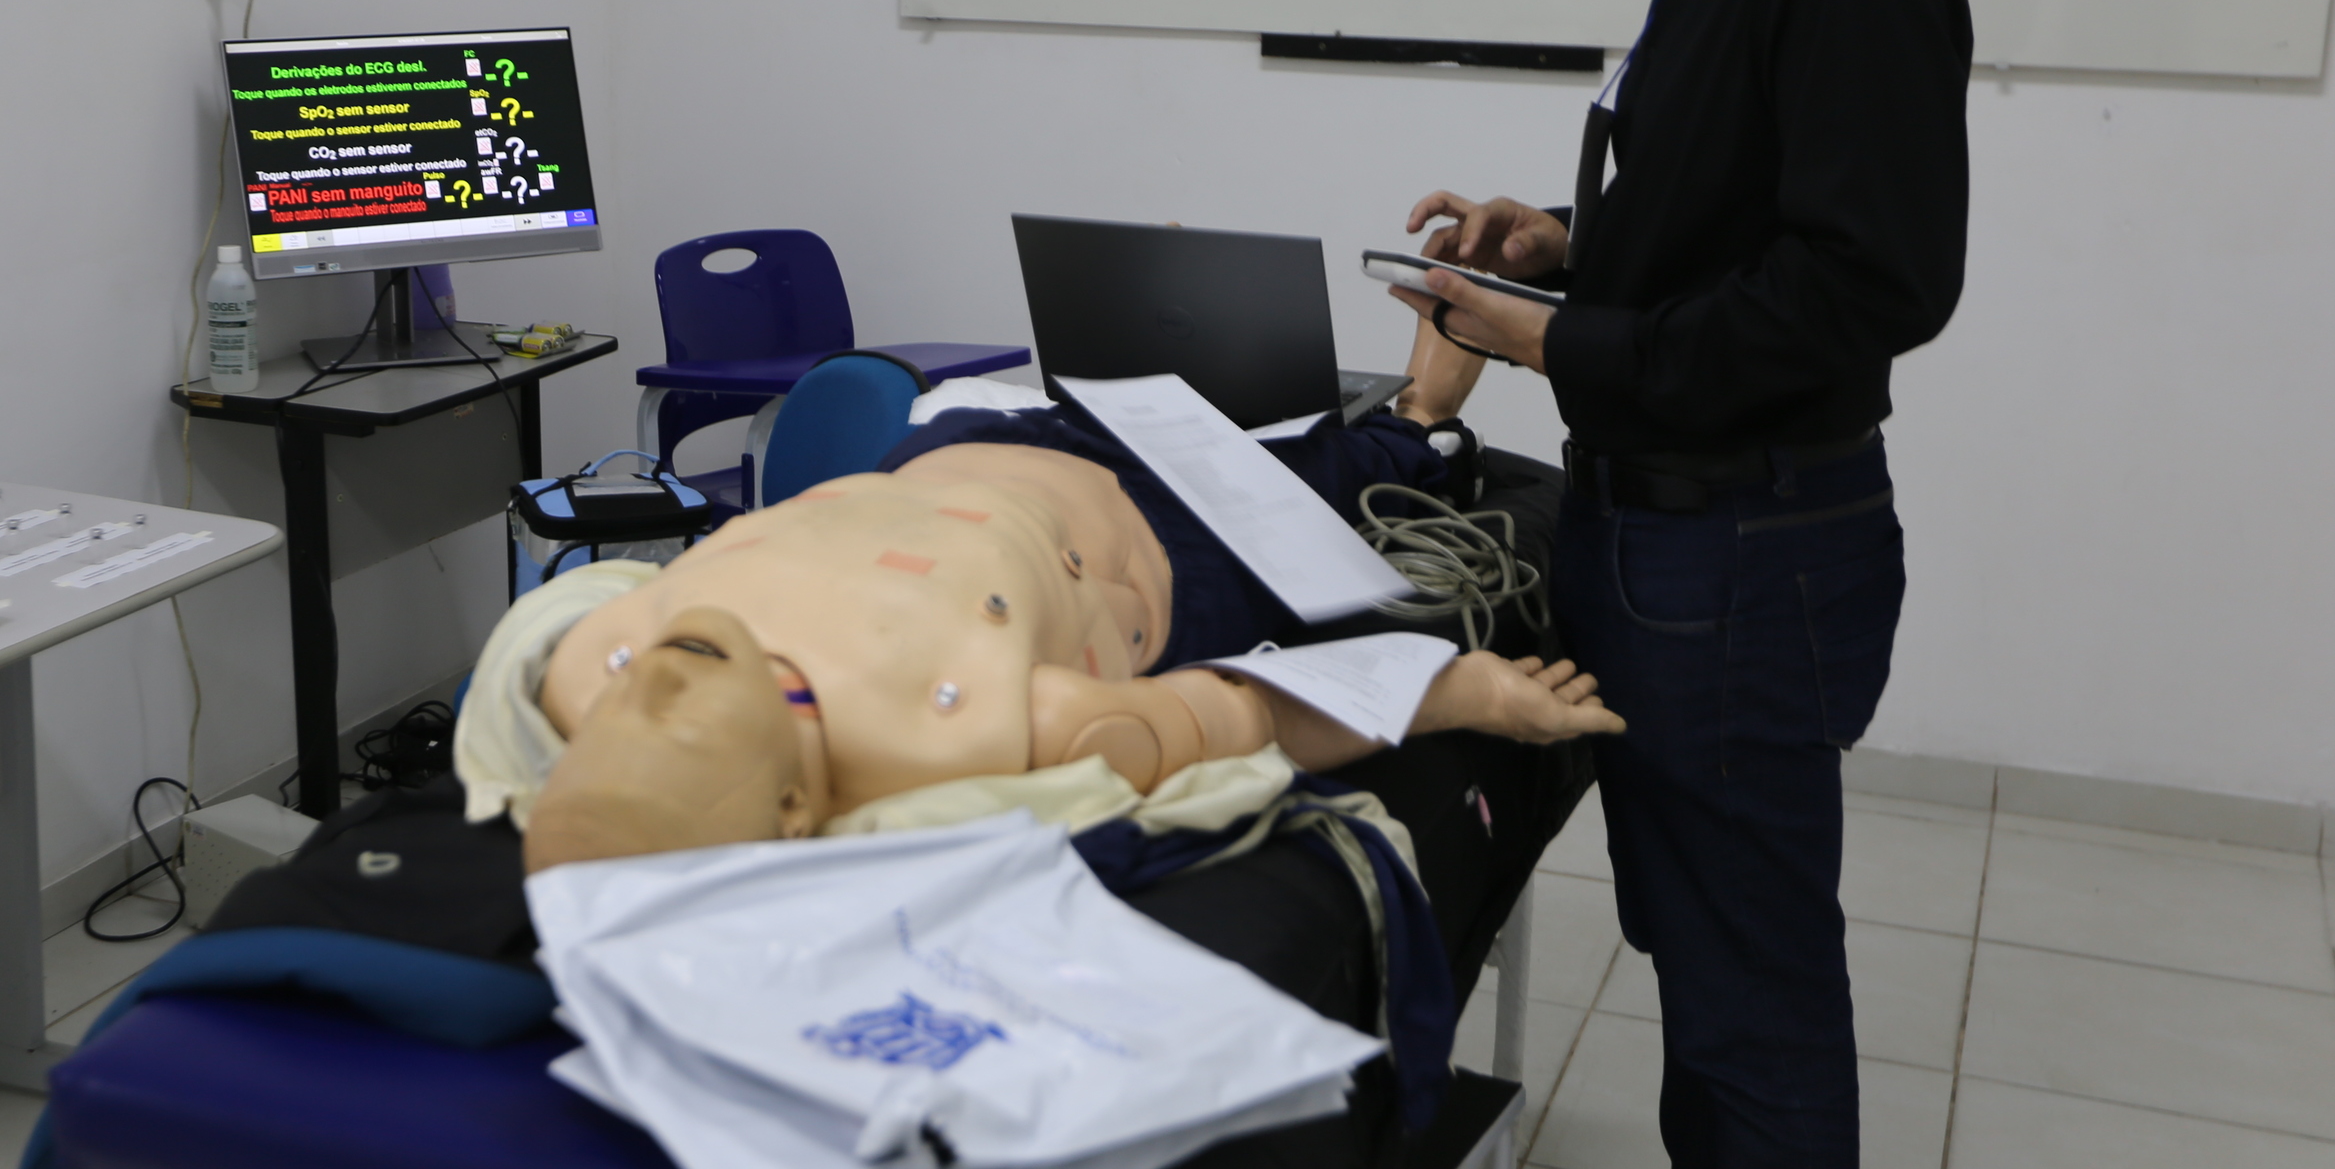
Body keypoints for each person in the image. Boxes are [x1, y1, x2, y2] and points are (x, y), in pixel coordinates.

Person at [1392, 0, 1969, 1169]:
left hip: (1751, 545)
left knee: (1758, 993)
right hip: (1669, 535)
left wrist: (1555, 344)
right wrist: (1561, 250)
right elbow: (1729, 218)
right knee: (1705, 965)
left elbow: (1865, 286)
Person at [452, 309, 1621, 866]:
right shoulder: (963, 726)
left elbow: (533, 667)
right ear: (797, 813)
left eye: (615, 723)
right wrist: (1465, 692)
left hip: (960, 444)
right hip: (1161, 539)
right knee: (1327, 468)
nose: (652, 685)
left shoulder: (582, 667)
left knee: (1192, 390)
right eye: (677, 747)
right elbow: (1249, 715)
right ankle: (1425, 415)